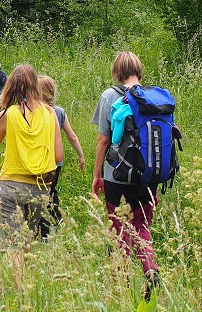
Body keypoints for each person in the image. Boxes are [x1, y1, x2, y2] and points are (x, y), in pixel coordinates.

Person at [0, 64, 63, 289]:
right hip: (40, 187)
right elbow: (58, 154)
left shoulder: (8, 114)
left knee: (12, 243)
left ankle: (20, 292)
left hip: (11, 185)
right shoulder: (50, 113)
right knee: (28, 238)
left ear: (11, 86)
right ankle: (26, 282)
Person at [91, 51, 161, 302]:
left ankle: (119, 288)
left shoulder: (111, 95)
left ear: (116, 72)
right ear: (138, 71)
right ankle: (150, 268)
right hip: (150, 177)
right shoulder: (155, 97)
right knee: (140, 226)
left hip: (117, 176)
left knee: (118, 228)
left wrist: (96, 174)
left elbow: (102, 140)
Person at [37, 74, 85, 238]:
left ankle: (43, 225)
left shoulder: (35, 111)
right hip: (57, 161)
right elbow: (72, 136)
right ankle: (57, 218)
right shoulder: (60, 112)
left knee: (40, 192)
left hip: (40, 160)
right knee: (51, 190)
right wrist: (81, 155)